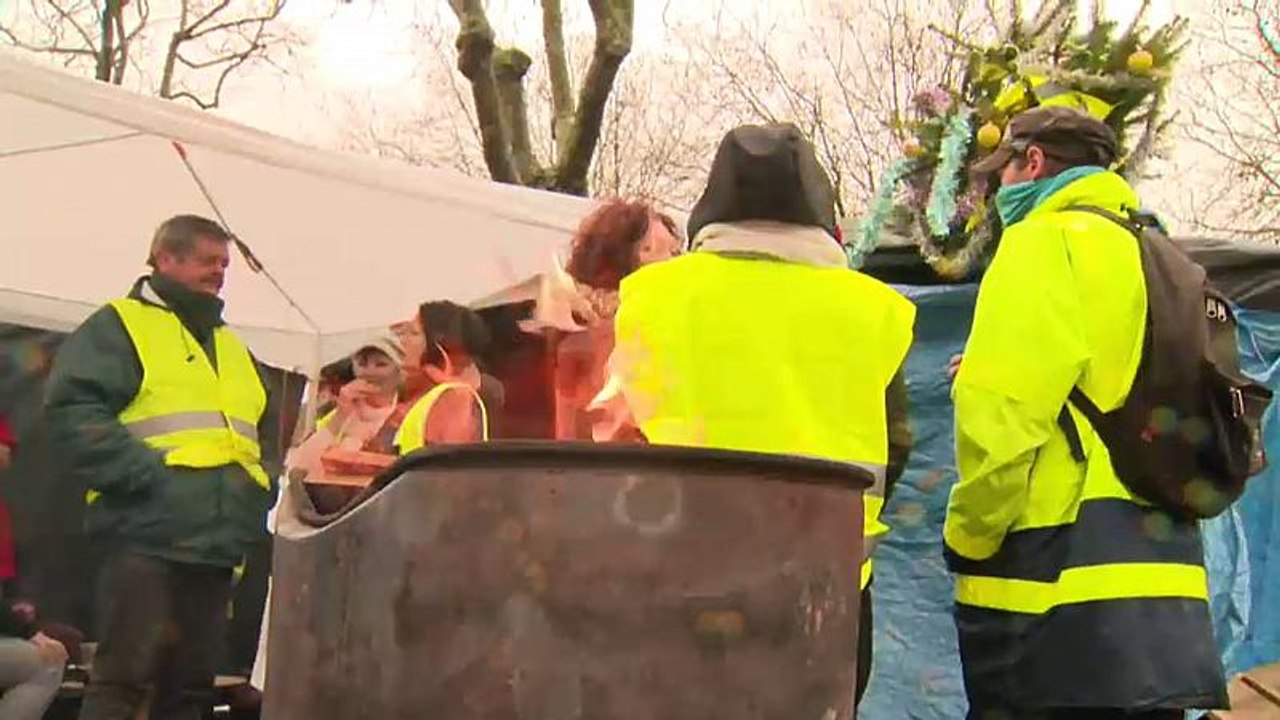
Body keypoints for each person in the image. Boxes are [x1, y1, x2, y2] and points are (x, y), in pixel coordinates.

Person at [605, 123, 914, 708]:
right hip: (826, 584)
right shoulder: (873, 309)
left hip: (682, 581)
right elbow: (896, 443)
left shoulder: (654, 296)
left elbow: (618, 428)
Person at [945, 106, 1227, 719]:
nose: (998, 189)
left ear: (1034, 163)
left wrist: (969, 535)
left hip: (1055, 597)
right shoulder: (1159, 254)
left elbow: (1005, 415)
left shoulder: (1042, 242)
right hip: (1165, 591)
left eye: (1003, 172)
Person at [45, 214, 281, 720]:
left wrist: (253, 488)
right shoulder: (119, 326)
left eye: (224, 264)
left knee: (191, 688)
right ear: (165, 259)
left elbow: (260, 430)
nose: (219, 272)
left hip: (216, 543)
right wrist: (147, 476)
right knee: (124, 679)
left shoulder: (231, 345)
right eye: (207, 261)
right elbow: (72, 409)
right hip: (144, 537)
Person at [394, 301, 498, 452]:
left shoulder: (454, 397)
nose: (402, 341)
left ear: (441, 345)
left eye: (414, 333)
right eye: (402, 333)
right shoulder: (412, 390)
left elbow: (446, 461)